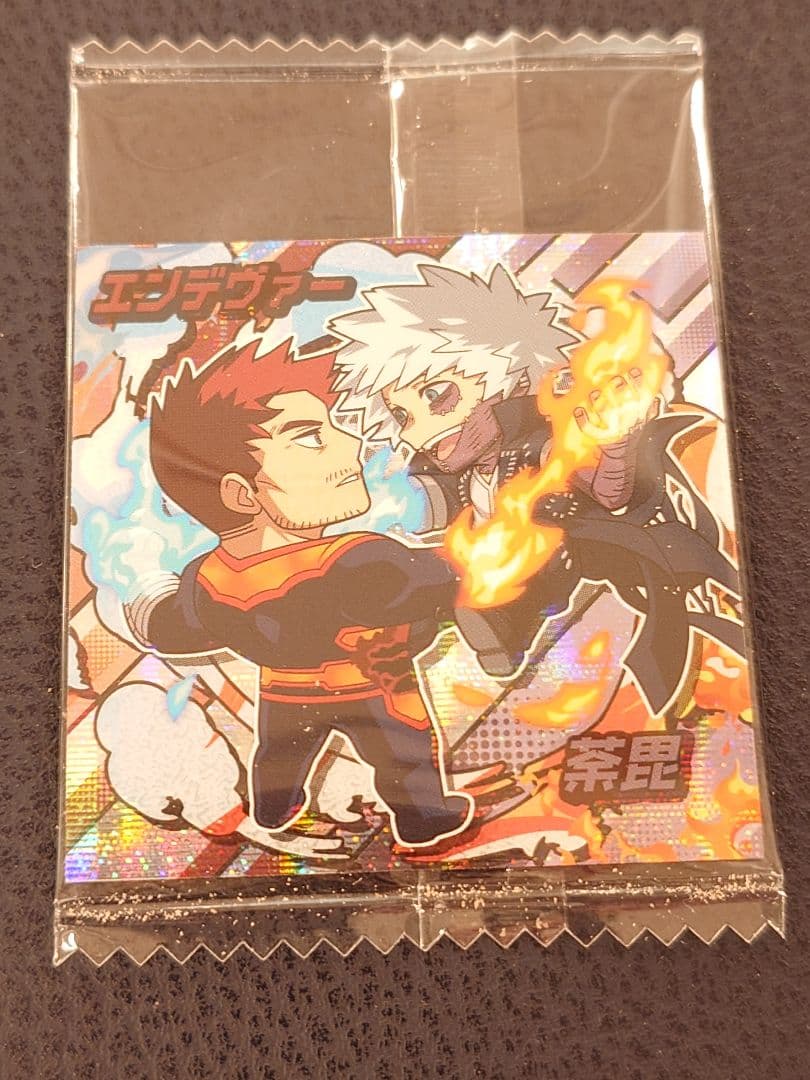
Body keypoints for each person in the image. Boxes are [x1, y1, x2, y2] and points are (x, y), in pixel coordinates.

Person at [125, 334, 479, 847]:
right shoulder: (353, 559)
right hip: (375, 687)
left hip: (284, 694)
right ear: (241, 493)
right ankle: (424, 817)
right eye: (311, 437)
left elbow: (178, 627)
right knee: (403, 756)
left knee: (279, 755)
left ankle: (273, 807)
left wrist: (146, 607)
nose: (351, 445)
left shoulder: (207, 575)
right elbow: (438, 579)